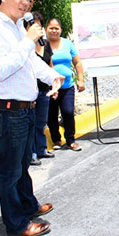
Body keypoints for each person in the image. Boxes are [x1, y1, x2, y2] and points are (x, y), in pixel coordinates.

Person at [0, 0, 64, 236]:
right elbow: (1, 70)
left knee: (23, 164)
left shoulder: (17, 27)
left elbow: (29, 62)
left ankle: (28, 205)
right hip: (8, 110)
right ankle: (16, 223)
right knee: (10, 171)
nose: (25, 3)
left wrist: (52, 76)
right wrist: (28, 40)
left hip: (25, 108)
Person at [46, 18, 85, 151]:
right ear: (46, 29)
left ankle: (70, 140)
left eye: (57, 28)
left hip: (67, 86)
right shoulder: (43, 44)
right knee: (51, 115)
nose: (54, 30)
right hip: (50, 87)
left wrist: (80, 79)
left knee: (68, 112)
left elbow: (77, 62)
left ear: (61, 30)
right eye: (51, 28)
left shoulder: (67, 43)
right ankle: (56, 139)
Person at [28, 12, 55, 166]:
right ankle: (32, 153)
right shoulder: (26, 46)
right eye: (32, 25)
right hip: (31, 91)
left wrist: (54, 84)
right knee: (30, 122)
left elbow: (49, 65)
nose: (36, 28)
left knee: (41, 122)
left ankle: (41, 149)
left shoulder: (45, 44)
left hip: (44, 89)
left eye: (38, 25)